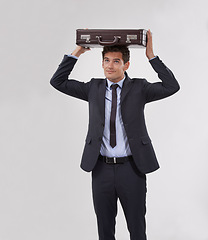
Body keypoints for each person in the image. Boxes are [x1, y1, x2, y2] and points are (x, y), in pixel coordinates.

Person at [50, 29, 180, 240]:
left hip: (132, 168)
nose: (110, 65)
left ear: (126, 65)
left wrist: (151, 57)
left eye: (116, 61)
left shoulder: (140, 88)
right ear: (102, 63)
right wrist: (78, 52)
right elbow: (58, 82)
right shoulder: (93, 88)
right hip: (100, 168)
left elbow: (172, 86)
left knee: (137, 228)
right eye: (107, 60)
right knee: (105, 229)